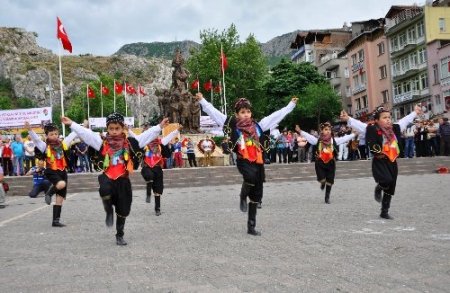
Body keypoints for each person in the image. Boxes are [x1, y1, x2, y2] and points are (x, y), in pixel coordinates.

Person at [196, 92, 297, 236]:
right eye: (243, 112)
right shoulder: (232, 123)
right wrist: (202, 101)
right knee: (249, 177)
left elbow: (276, 115)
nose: (246, 114)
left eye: (248, 112)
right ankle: (243, 196)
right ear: (237, 114)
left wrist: (290, 105)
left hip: (258, 160)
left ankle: (251, 227)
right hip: (243, 159)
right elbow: (214, 112)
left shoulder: (258, 125)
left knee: (257, 195)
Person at [62, 113, 169, 245]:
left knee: (123, 209)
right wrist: (72, 124)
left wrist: (159, 126)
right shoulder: (102, 142)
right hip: (108, 176)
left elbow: (146, 137)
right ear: (107, 129)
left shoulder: (130, 143)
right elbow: (87, 135)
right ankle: (108, 211)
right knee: (104, 188)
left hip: (123, 180)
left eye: (116, 128)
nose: (113, 131)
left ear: (122, 128)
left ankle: (120, 234)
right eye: (111, 128)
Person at [341, 105, 421, 219]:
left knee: (391, 186)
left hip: (392, 161)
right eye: (384, 117)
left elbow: (404, 120)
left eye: (389, 117)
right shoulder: (372, 128)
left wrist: (415, 113)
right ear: (377, 120)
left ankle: (384, 211)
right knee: (386, 180)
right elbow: (359, 125)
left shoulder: (395, 128)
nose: (388, 119)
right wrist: (348, 118)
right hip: (380, 161)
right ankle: (379, 187)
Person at [26, 122, 77, 227]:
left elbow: (72, 135)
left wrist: (79, 127)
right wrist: (30, 130)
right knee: (61, 184)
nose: (54, 136)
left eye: (55, 134)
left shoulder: (63, 143)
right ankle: (48, 193)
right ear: (47, 135)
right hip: (51, 171)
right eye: (51, 134)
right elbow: (36, 139)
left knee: (60, 197)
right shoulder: (44, 145)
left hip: (62, 171)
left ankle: (55, 221)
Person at [296, 123, 356, 204]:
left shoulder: (333, 140)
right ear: (322, 131)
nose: (328, 131)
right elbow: (309, 137)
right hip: (320, 163)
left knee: (330, 180)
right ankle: (322, 182)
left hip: (331, 163)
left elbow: (344, 138)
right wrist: (300, 131)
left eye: (329, 130)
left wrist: (354, 134)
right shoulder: (318, 140)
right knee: (322, 178)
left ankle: (327, 197)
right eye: (326, 130)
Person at [133, 124, 180, 216]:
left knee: (158, 189)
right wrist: (128, 130)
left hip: (157, 167)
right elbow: (135, 137)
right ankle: (148, 192)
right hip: (147, 166)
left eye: (155, 134)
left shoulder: (160, 142)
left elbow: (170, 136)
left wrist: (177, 130)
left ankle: (157, 208)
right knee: (149, 175)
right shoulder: (144, 143)